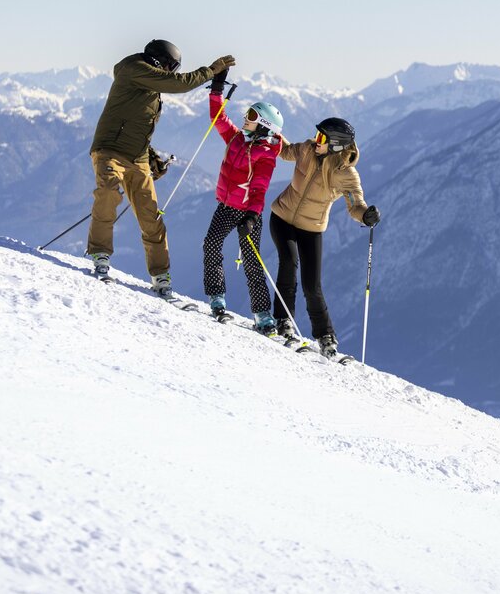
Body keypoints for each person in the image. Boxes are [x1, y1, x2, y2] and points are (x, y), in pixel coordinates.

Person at [87, 39, 236, 300]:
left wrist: (151, 154)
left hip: (138, 157)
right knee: (108, 193)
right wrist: (210, 71)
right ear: (160, 61)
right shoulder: (134, 69)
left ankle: (161, 276)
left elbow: (136, 121)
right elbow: (179, 84)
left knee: (151, 217)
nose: (172, 72)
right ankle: (100, 254)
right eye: (172, 66)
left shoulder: (149, 84)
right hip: (109, 150)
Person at [269, 116, 380, 359]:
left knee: (312, 284)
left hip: (312, 227)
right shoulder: (307, 150)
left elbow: (355, 205)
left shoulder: (346, 174)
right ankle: (283, 320)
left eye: (321, 137)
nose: (315, 140)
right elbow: (286, 151)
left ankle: (325, 336)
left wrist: (365, 216)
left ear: (337, 144)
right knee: (288, 263)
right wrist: (272, 134)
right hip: (282, 217)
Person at [201, 71, 284, 331]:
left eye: (250, 116)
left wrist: (251, 216)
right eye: (247, 113)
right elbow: (219, 119)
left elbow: (260, 188)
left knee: (251, 260)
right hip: (226, 207)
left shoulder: (266, 154)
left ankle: (263, 315)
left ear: (263, 125)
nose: (244, 119)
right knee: (211, 244)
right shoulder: (237, 138)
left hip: (248, 212)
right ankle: (217, 298)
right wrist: (216, 91)